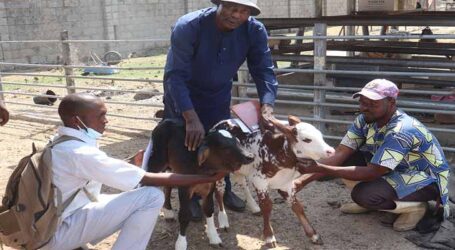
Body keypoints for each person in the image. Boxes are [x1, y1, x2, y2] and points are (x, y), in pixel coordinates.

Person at [42, 93, 225, 250]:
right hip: (58, 232)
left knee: (126, 198)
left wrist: (129, 162)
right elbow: (145, 178)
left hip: (52, 221)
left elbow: (88, 169)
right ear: (77, 121)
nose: (106, 120)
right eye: (100, 116)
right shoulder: (79, 153)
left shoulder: (59, 141)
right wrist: (203, 177)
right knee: (151, 196)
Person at [153, 0, 278, 217]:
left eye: (244, 11)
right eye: (232, 8)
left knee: (223, 142)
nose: (237, 15)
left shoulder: (254, 30)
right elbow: (175, 75)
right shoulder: (189, 26)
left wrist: (267, 106)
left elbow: (264, 70)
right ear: (219, 3)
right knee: (187, 144)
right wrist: (190, 117)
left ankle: (222, 189)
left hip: (218, 95)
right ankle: (189, 194)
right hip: (183, 94)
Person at [295, 79, 450, 232]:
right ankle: (381, 200)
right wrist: (302, 181)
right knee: (343, 160)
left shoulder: (401, 131)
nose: (364, 108)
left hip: (426, 179)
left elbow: (372, 172)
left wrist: (320, 168)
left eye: (372, 104)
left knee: (364, 195)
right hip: (395, 169)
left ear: (391, 102)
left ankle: (414, 207)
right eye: (362, 102)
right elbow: (342, 151)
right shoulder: (365, 120)